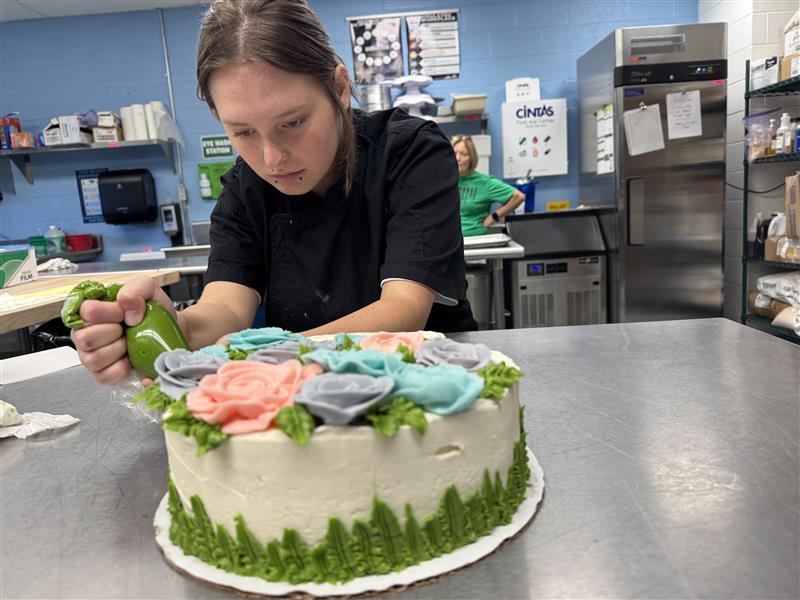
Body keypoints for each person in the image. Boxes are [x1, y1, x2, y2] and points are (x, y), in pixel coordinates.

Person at [72, 0, 476, 385]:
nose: (272, 159)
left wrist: (273, 355)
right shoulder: (244, 188)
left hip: (428, 387)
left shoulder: (409, 152)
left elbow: (402, 310)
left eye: (294, 122)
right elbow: (226, 308)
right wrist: (175, 329)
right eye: (243, 132)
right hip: (307, 396)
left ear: (338, 88)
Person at [451, 135, 524, 236]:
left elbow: (518, 197)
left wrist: (494, 216)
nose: (458, 158)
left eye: (463, 154)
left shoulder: (485, 183)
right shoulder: (446, 181)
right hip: (451, 242)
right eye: (454, 153)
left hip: (476, 240)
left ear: (472, 157)